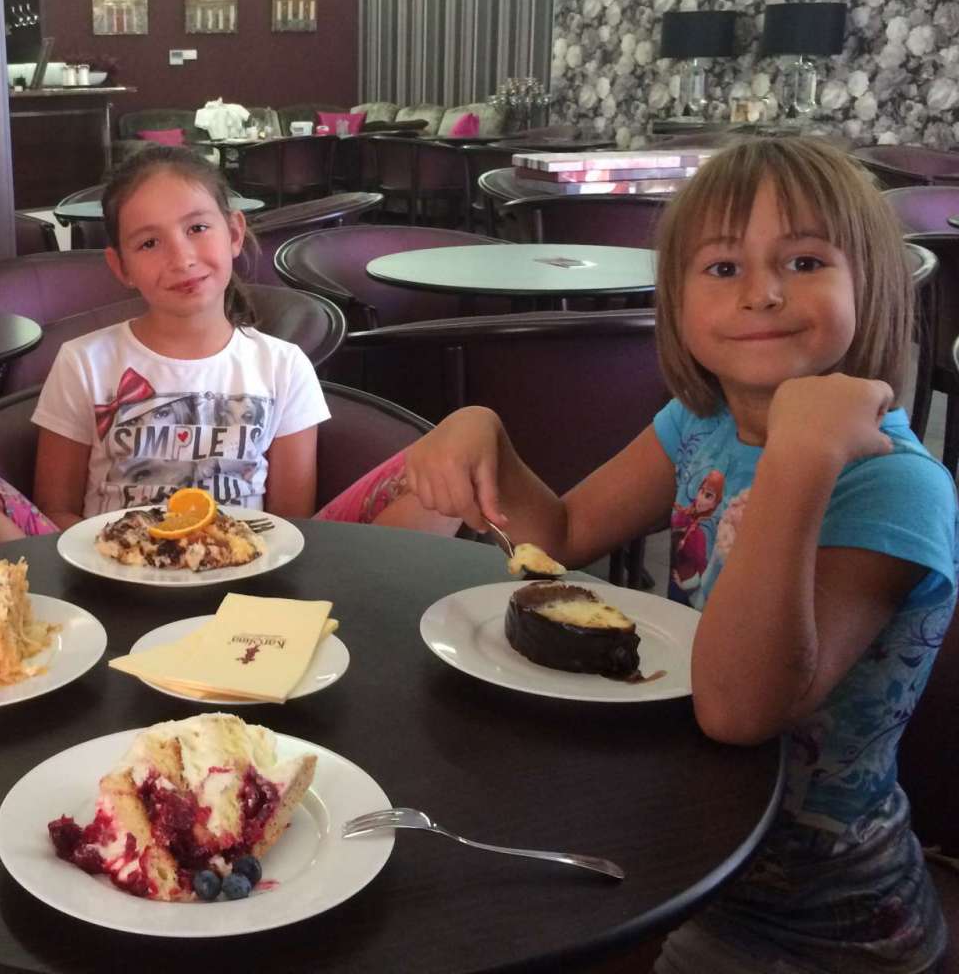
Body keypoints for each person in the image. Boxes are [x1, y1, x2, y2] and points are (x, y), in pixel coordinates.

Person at [402, 137, 955, 974]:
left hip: (822, 924)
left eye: (805, 261)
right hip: (685, 862)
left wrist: (800, 457)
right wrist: (483, 432)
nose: (763, 293)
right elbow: (561, 534)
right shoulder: (699, 425)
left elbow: (738, 710)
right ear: (678, 302)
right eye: (724, 268)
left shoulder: (893, 486)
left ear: (869, 283)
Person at [0, 145, 459, 548]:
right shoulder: (85, 361)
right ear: (121, 266)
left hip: (247, 568)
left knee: (454, 465)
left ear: (234, 233)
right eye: (149, 243)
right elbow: (57, 509)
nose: (180, 258)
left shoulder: (282, 365)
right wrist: (118, 558)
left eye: (197, 228)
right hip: (108, 572)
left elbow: (290, 523)